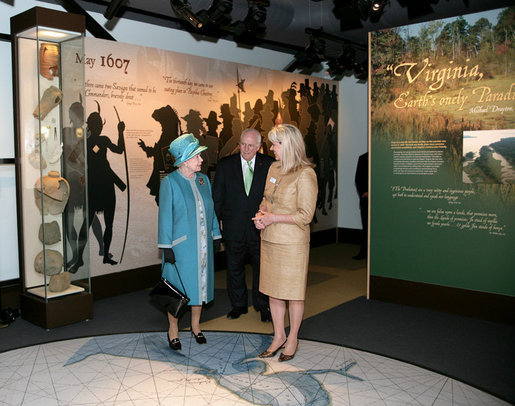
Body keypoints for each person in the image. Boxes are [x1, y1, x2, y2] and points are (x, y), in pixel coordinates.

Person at [253, 124, 317, 362]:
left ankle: (293, 338)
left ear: (287, 145)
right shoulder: (274, 167)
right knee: (274, 292)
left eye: (275, 144)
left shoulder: (305, 173)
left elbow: (305, 215)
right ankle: (278, 335)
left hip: (292, 244)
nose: (271, 148)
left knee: (293, 293)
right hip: (269, 239)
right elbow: (266, 199)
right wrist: (261, 215)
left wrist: (274, 218)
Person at [158, 133, 222, 350]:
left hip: (203, 247)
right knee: (177, 289)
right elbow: (165, 216)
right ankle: (173, 329)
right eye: (197, 157)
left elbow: (211, 209)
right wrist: (166, 247)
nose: (201, 160)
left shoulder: (203, 180)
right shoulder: (170, 182)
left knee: (199, 287)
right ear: (185, 160)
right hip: (181, 248)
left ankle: (196, 326)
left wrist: (216, 235)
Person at [212, 128, 275, 322]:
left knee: (262, 268)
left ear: (258, 146)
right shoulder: (225, 165)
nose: (246, 149)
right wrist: (217, 224)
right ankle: (238, 305)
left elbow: (274, 196)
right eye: (243, 144)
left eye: (250, 145)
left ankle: (262, 304)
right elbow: (217, 198)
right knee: (234, 267)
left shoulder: (270, 165)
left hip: (261, 228)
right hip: (233, 227)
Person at [353, 152, 368, 260]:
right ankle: (364, 252)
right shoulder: (363, 158)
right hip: (366, 200)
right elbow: (358, 179)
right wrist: (364, 193)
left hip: (381, 200)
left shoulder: (384, 157)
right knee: (366, 227)